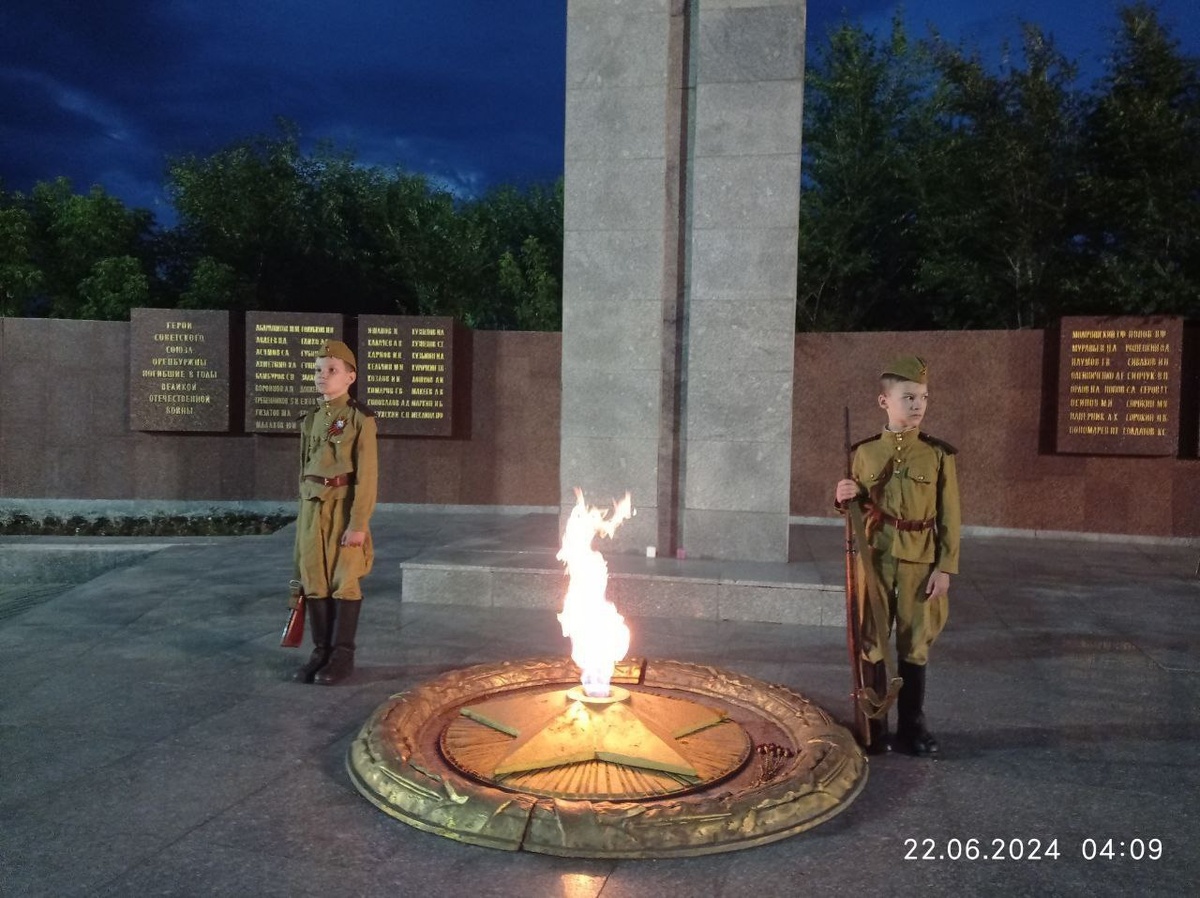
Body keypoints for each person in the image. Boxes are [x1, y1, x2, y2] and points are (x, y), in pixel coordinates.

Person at [835, 355, 960, 757]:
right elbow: (854, 505)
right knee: (872, 639)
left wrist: (945, 567)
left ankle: (912, 727)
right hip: (874, 559)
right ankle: (874, 726)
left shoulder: (938, 456)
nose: (918, 405)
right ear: (884, 402)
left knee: (915, 641)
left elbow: (950, 516)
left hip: (920, 562)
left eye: (923, 397)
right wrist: (842, 498)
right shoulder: (865, 453)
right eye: (908, 397)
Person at [291, 339, 378, 686]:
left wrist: (358, 524)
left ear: (350, 377)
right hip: (312, 510)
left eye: (331, 371)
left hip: (342, 508)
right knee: (314, 578)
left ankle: (342, 655)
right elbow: (303, 470)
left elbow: (367, 476)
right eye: (318, 370)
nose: (322, 376)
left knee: (345, 580)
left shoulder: (359, 419)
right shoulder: (311, 419)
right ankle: (320, 651)